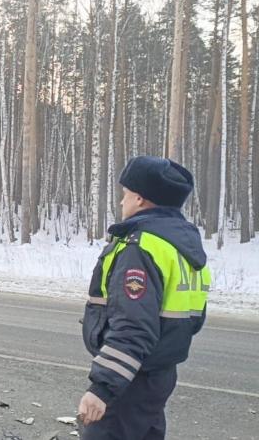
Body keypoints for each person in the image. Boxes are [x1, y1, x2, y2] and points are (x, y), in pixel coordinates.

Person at [77, 156, 210, 439]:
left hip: (130, 381)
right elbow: (193, 321)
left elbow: (133, 326)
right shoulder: (181, 247)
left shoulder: (141, 247)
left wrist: (102, 389)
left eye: (125, 195)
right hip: (159, 375)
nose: (121, 202)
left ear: (140, 199)